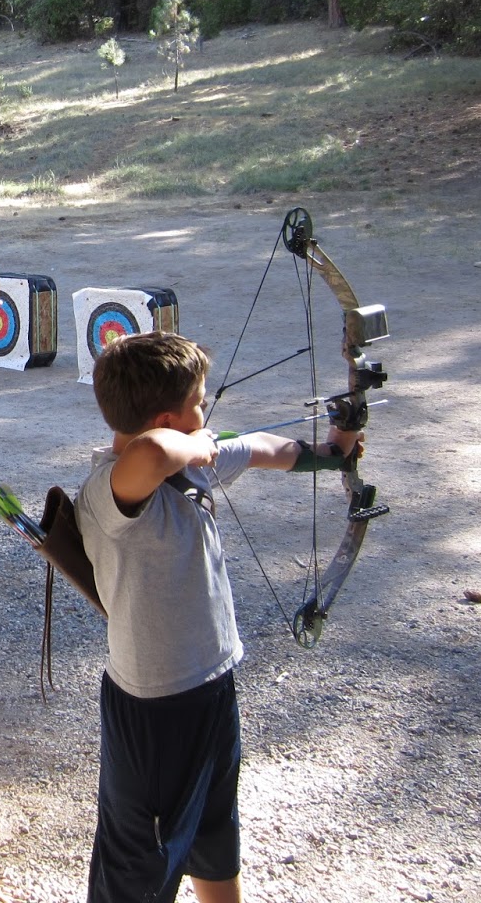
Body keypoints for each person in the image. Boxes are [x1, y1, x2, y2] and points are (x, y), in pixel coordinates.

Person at [73, 331, 363, 903]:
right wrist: (195, 446)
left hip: (211, 686)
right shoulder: (110, 492)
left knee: (213, 831)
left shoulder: (188, 464)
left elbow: (256, 447)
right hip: (153, 709)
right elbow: (151, 455)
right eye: (197, 404)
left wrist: (334, 453)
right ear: (165, 419)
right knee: (140, 863)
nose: (205, 415)